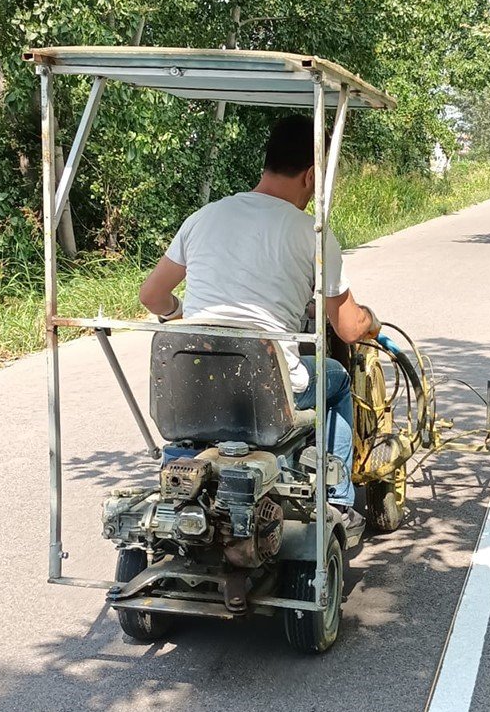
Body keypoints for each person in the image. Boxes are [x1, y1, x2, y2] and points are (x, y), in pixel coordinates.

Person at [138, 114, 380, 524]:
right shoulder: (313, 234)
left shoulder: (204, 217)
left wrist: (186, 321)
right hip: (268, 391)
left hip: (193, 388)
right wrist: (371, 321)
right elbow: (348, 327)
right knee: (336, 378)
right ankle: (338, 500)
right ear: (310, 176)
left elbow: (152, 295)